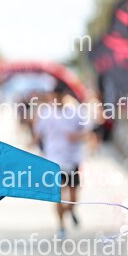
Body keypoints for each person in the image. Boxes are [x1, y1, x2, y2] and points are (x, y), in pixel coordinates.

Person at [33, 87, 88, 239]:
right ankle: (61, 225)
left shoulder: (75, 112)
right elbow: (38, 135)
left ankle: (71, 210)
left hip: (72, 158)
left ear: (64, 96)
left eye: (58, 97)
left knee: (73, 196)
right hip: (54, 160)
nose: (56, 101)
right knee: (57, 195)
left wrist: (76, 136)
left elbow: (87, 131)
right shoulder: (46, 113)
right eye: (53, 97)